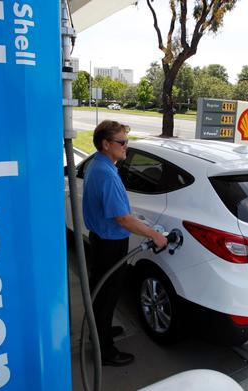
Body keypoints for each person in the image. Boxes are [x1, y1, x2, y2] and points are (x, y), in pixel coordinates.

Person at [83, 120, 167, 366]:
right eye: (121, 142)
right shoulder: (106, 174)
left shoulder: (98, 164)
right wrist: (154, 234)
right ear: (106, 144)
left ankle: (101, 332)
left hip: (101, 239)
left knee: (101, 291)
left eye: (126, 142)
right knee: (107, 295)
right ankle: (105, 352)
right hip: (110, 244)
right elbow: (122, 219)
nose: (126, 147)